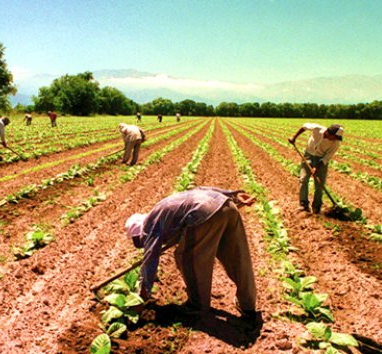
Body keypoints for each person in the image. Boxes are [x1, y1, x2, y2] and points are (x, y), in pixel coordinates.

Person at [125, 186, 258, 320]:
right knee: (237, 257)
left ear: (139, 232)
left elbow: (150, 260)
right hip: (227, 206)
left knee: (187, 258)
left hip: (203, 214)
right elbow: (200, 189)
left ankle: (197, 305)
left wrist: (142, 295)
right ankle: (247, 304)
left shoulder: (149, 225)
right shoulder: (163, 210)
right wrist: (233, 196)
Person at [288, 123, 344, 213]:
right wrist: (294, 137)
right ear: (330, 133)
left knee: (320, 184)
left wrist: (316, 167)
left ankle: (317, 206)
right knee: (303, 179)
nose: (335, 139)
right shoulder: (317, 129)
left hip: (321, 161)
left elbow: (326, 158)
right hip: (308, 155)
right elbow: (304, 126)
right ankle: (304, 205)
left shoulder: (335, 144)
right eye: (335, 137)